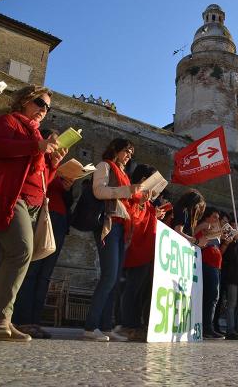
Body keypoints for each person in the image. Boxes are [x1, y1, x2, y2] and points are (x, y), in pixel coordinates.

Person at [0, 85, 67, 342]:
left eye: (48, 107)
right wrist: (38, 145)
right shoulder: (7, 121)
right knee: (22, 251)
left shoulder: (36, 135)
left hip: (32, 203)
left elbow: (41, 179)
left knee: (12, 257)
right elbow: (2, 147)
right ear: (25, 99)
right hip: (11, 198)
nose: (43, 109)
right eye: (40, 102)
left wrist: (53, 164)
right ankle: (0, 319)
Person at [12, 129, 75, 339]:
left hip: (58, 219)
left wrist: (68, 187)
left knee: (45, 274)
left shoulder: (55, 164)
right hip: (41, 214)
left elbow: (65, 198)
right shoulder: (38, 160)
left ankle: (34, 321)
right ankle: (22, 319)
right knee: (32, 269)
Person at [82, 138, 144, 342]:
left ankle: (106, 326)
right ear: (116, 150)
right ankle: (91, 327)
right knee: (109, 276)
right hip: (108, 224)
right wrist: (127, 191)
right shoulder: (104, 166)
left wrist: (140, 198)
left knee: (115, 279)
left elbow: (126, 203)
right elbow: (98, 191)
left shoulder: (124, 175)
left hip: (121, 226)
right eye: (126, 151)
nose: (128, 156)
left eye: (131, 153)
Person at [119, 164, 164, 341]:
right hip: (136, 249)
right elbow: (132, 219)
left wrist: (154, 211)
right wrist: (142, 203)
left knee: (141, 291)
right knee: (132, 289)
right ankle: (127, 324)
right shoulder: (134, 194)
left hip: (147, 251)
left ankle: (136, 325)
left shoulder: (148, 200)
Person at [194, 206, 225, 339]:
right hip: (207, 264)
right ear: (207, 217)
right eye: (214, 217)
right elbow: (198, 233)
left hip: (215, 266)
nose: (217, 220)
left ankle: (208, 326)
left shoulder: (212, 230)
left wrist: (226, 241)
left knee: (214, 297)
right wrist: (216, 231)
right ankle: (207, 327)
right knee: (211, 296)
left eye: (218, 218)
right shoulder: (204, 226)